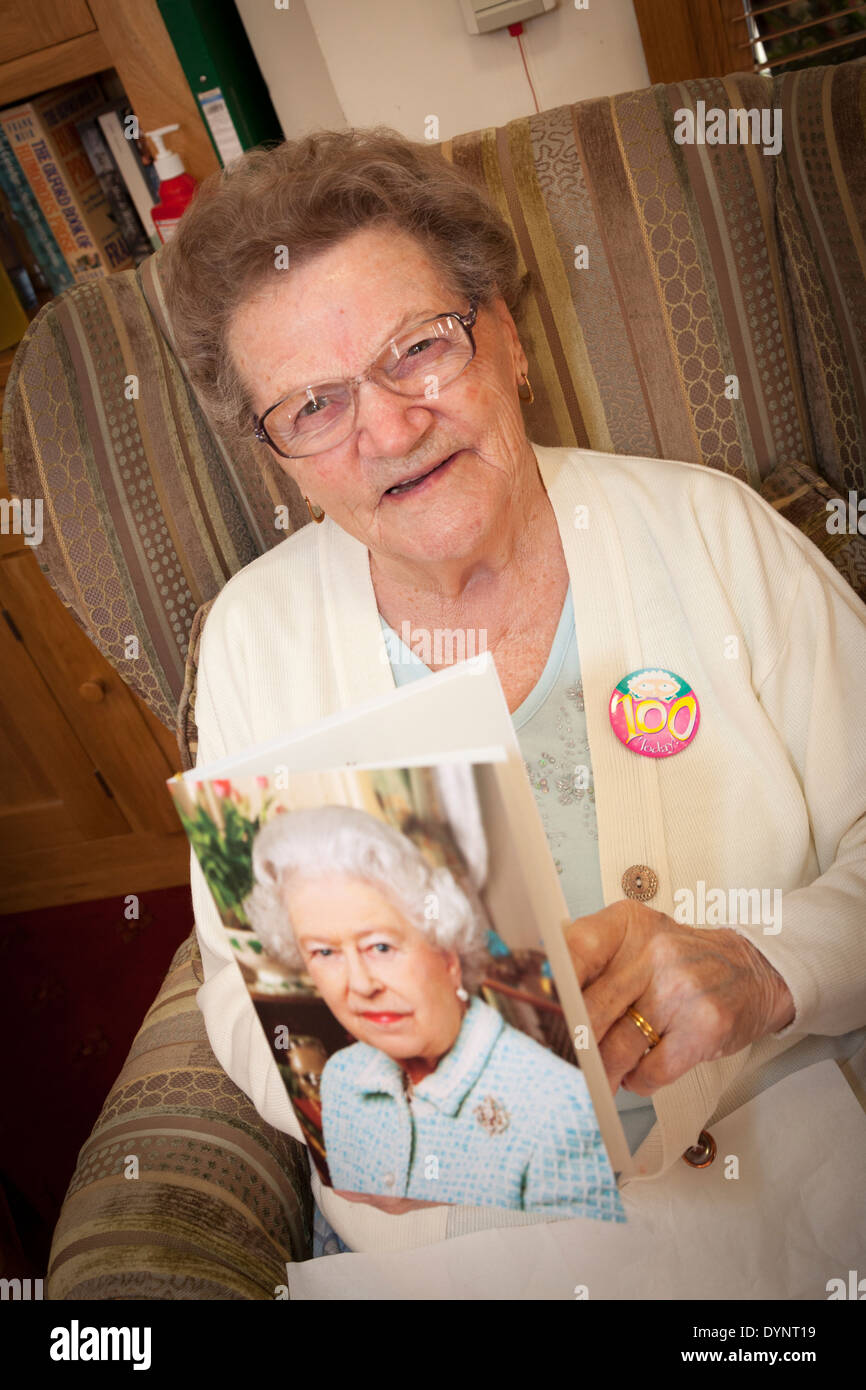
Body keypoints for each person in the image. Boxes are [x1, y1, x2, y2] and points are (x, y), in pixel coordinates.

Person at [166, 126, 866, 1259]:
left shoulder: (710, 531)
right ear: (277, 460)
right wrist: (346, 1113)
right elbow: (240, 986)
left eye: (418, 349)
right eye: (312, 405)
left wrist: (766, 966)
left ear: (507, 337)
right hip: (459, 1242)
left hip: (774, 1179)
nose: (389, 429)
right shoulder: (254, 635)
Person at [245, 805, 625, 1219]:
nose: (359, 985)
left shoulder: (558, 1105)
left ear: (448, 954)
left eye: (381, 947)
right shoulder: (343, 1077)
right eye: (324, 952)